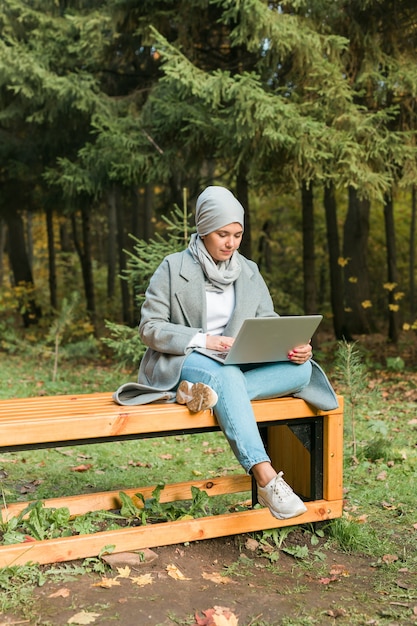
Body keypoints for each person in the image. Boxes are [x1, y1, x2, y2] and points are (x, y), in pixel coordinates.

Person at [123, 185, 338, 521]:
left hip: (235, 362)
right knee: (225, 376)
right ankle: (267, 479)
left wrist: (294, 348)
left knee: (302, 371)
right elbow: (149, 328)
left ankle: (202, 396)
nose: (231, 243)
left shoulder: (248, 271)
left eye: (238, 234)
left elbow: (268, 321)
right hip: (188, 359)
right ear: (204, 230)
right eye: (223, 234)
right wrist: (205, 340)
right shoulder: (173, 267)